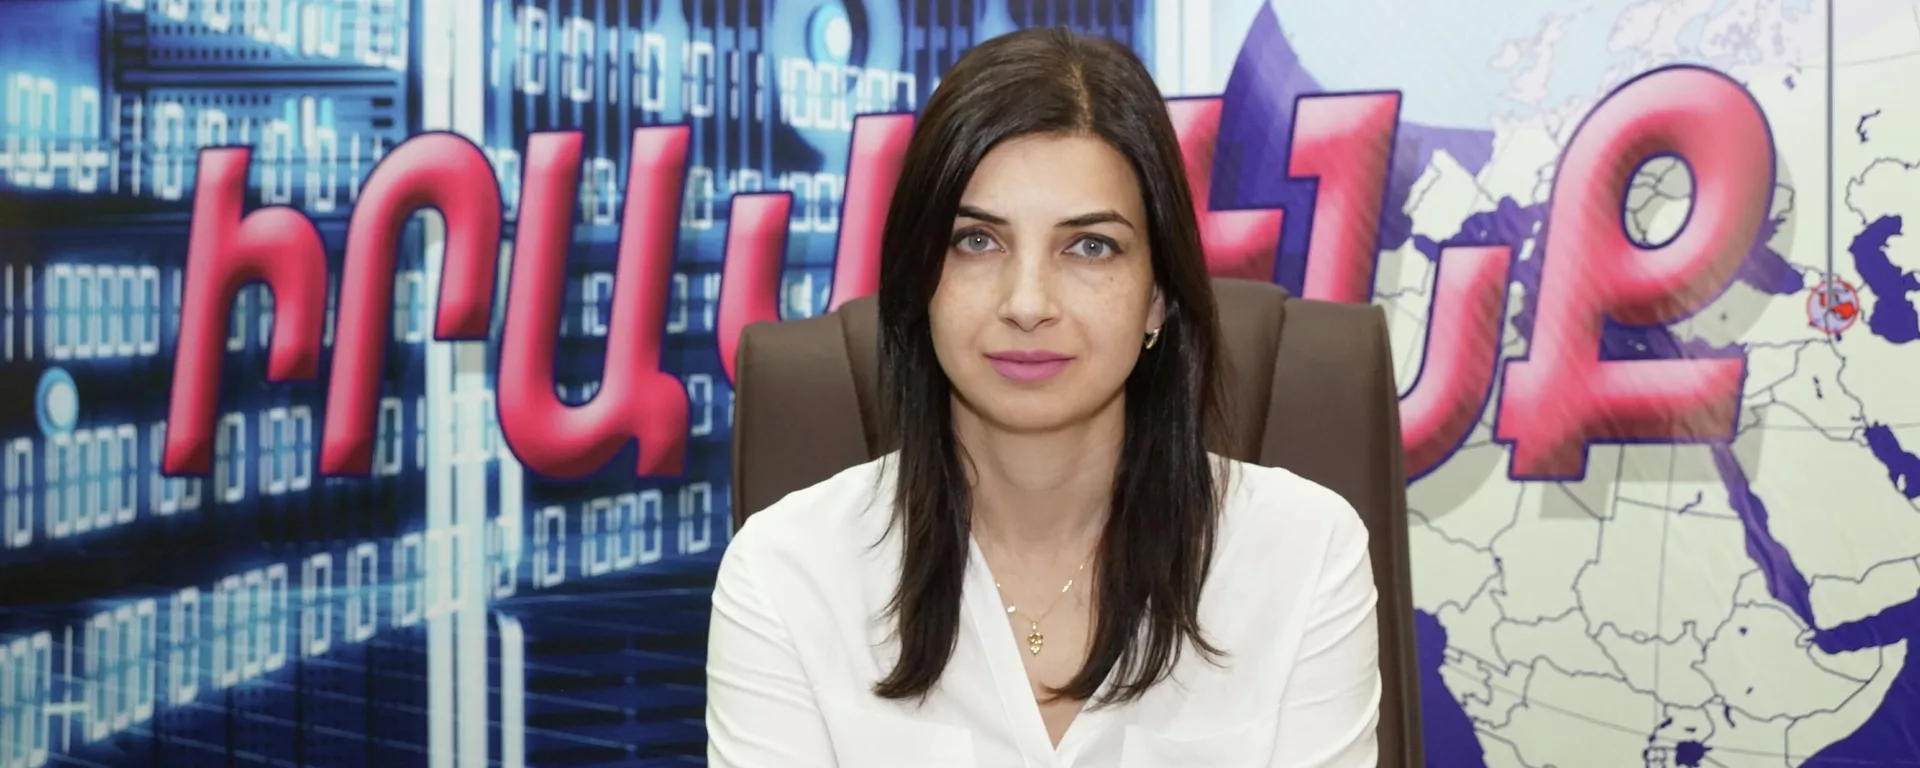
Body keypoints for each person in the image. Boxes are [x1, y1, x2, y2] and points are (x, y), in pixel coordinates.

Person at [705, 26, 1380, 767]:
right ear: (919, 280)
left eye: (1090, 246)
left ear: (1158, 295)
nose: (1027, 303)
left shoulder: (1303, 553)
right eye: (977, 241)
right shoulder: (787, 573)